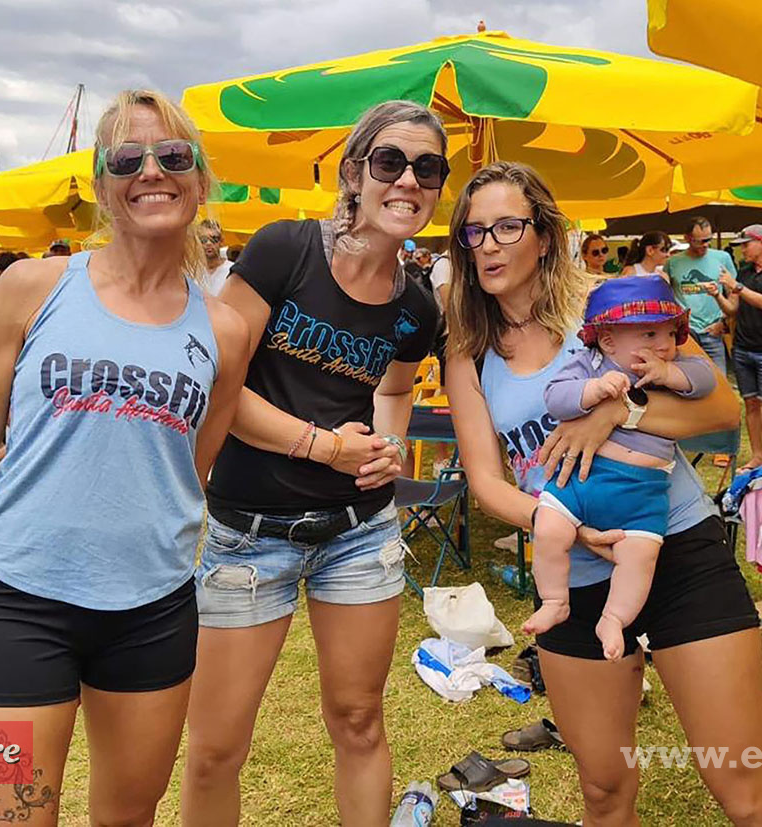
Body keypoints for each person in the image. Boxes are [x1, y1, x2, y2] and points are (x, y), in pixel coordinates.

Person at [442, 161, 762, 826]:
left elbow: (720, 407)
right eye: (473, 233)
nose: (488, 244)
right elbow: (488, 480)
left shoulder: (615, 302)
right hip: (575, 581)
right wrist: (567, 528)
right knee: (605, 793)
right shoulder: (469, 350)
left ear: (545, 235)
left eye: (506, 226)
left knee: (745, 792)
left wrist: (619, 412)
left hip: (676, 552)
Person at [0, 89, 249, 827]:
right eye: (128, 157)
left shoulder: (226, 330)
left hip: (151, 610)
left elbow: (189, 469)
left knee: (126, 819)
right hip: (18, 597)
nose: (152, 170)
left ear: (199, 179)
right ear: (103, 183)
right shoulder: (30, 289)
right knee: (1, 817)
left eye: (174, 155)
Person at [184, 99, 442, 826]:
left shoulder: (415, 307)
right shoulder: (284, 250)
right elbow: (217, 384)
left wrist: (386, 447)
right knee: (215, 747)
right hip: (249, 532)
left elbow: (392, 387)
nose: (408, 181)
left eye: (428, 168)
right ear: (354, 172)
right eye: (391, 161)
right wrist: (325, 444)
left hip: (359, 534)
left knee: (359, 720)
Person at [526, 277, 716, 659]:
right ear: (609, 341)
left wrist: (670, 375)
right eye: (648, 333)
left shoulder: (674, 366)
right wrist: (592, 391)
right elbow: (555, 397)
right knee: (548, 530)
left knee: (639, 559)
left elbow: (706, 381)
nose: (663, 344)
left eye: (669, 332)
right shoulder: (588, 363)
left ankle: (613, 617)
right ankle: (553, 600)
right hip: (581, 482)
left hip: (643, 495)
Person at [705, 224, 762, 477]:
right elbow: (733, 310)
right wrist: (716, 296)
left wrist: (736, 287)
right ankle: (757, 456)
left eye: (746, 244)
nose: (742, 249)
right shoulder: (744, 272)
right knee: (752, 405)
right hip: (743, 348)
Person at [666, 217, 737, 372]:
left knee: (719, 381)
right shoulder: (673, 262)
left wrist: (724, 323)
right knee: (688, 379)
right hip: (686, 332)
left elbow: (734, 294)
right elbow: (665, 294)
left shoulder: (722, 258)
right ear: (687, 239)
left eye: (708, 240)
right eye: (700, 241)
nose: (705, 245)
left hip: (713, 331)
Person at [198, 219, 231, 296]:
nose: (209, 243)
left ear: (221, 241)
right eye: (203, 240)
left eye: (214, 239)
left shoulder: (231, 271)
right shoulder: (193, 272)